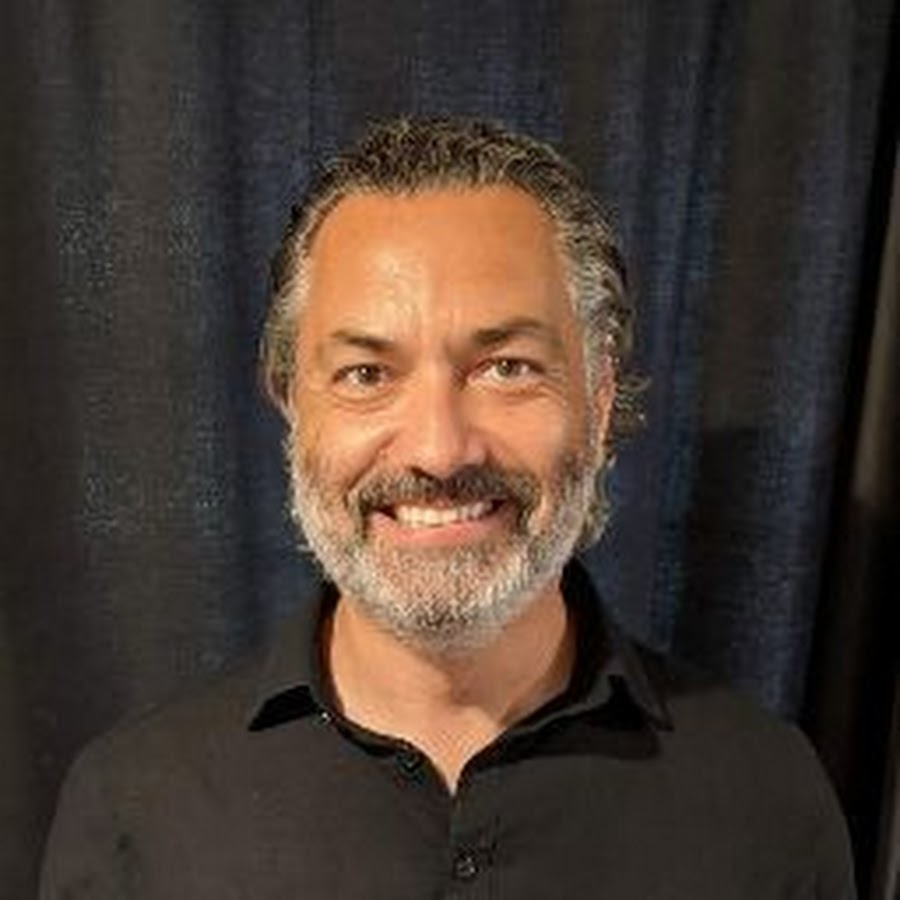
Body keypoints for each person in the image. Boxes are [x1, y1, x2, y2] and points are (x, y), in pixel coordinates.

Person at [40, 117, 856, 898]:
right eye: (367, 374)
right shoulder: (133, 812)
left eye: (507, 367)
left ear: (600, 400)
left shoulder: (767, 801)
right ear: (292, 404)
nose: (439, 449)